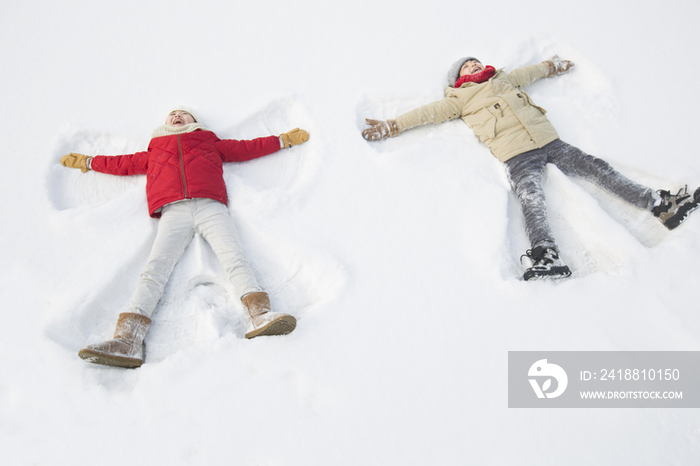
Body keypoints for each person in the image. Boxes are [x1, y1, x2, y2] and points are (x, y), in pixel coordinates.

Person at [362, 56, 700, 281]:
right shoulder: (459, 99)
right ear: (458, 79)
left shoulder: (504, 79)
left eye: (475, 61)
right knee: (531, 200)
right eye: (467, 67)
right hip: (516, 153)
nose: (474, 65)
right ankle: (546, 254)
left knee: (599, 170)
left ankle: (660, 204)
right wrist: (391, 126)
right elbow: (426, 113)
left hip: (549, 140)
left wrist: (552, 65)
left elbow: (532, 73)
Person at [61, 106, 309, 368]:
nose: (177, 116)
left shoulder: (207, 140)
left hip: (210, 206)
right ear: (166, 123)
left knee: (234, 257)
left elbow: (245, 148)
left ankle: (259, 315)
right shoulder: (155, 148)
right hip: (173, 212)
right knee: (154, 270)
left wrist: (282, 140)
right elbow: (121, 164)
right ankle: (127, 340)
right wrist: (88, 162)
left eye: (184, 114)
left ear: (195, 121)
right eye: (173, 114)